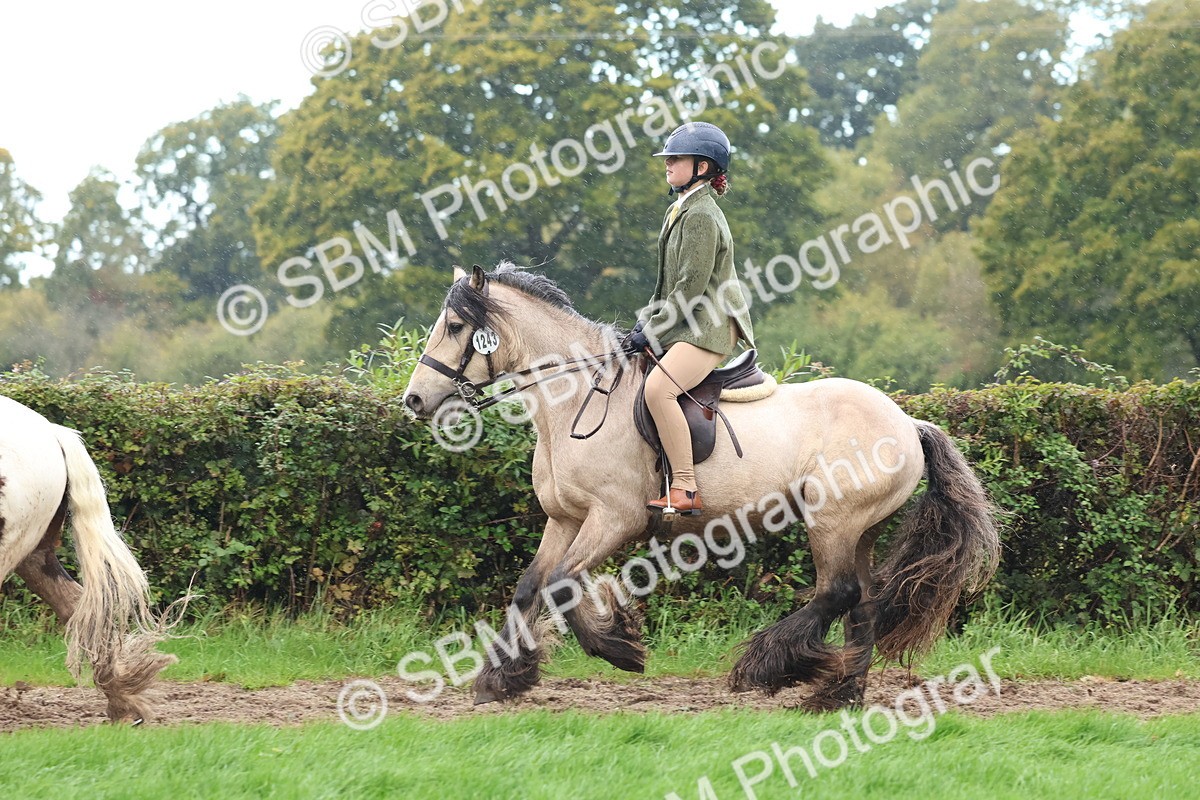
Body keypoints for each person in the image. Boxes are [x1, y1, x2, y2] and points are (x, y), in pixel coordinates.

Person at [623, 121, 754, 514]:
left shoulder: (700, 216)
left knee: (657, 390)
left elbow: (690, 289)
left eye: (675, 158)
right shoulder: (680, 208)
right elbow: (667, 287)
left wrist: (654, 329)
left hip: (709, 327)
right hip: (688, 321)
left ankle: (684, 487)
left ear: (701, 167)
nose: (667, 164)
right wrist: (644, 324)